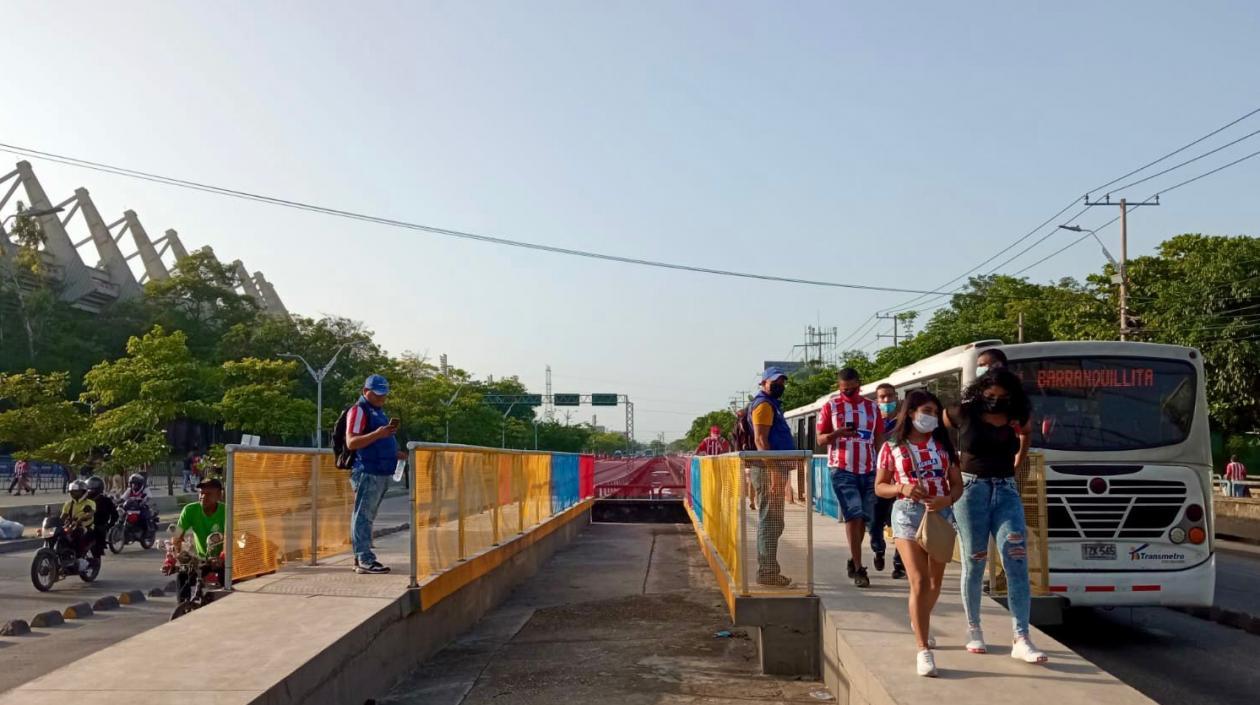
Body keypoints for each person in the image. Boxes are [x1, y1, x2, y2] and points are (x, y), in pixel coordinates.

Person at [945, 368, 1047, 664]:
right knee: (974, 560)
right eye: (991, 396)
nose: (996, 402)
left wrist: (1017, 465)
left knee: (1016, 556)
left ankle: (1022, 637)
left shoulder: (1018, 413)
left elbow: (1027, 433)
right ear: (980, 392)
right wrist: (952, 466)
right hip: (970, 490)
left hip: (1005, 490)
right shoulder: (963, 412)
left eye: (1003, 397)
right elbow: (941, 433)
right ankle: (974, 629)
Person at [875, 389, 963, 677]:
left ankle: (920, 617)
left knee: (935, 582)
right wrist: (901, 488)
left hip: (940, 515)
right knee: (920, 581)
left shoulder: (944, 446)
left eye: (935, 412)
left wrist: (946, 500)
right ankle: (923, 649)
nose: (932, 417)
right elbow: (880, 486)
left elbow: (957, 485)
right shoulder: (891, 448)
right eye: (927, 411)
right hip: (906, 516)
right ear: (911, 413)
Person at [816, 368, 886, 588]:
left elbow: (879, 439)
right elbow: (820, 439)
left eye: (852, 388)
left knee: (864, 518)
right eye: (844, 389)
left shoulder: (872, 408)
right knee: (853, 515)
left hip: (869, 469)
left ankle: (853, 557)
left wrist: (882, 467)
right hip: (842, 468)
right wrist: (837, 434)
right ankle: (858, 567)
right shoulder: (830, 407)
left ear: (859, 384)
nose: (848, 392)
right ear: (839, 387)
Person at [346, 374, 404, 575]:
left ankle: (362, 557)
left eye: (384, 395)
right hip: (367, 471)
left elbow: (378, 443)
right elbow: (352, 442)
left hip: (381, 471)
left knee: (368, 516)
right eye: (377, 394)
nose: (381, 399)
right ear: (365, 391)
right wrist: (379, 434)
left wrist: (395, 453)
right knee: (362, 516)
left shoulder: (378, 411)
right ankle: (364, 558)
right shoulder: (360, 410)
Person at [748, 367, 795, 587]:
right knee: (771, 521)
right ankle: (767, 572)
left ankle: (768, 569)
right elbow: (761, 441)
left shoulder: (770, 405)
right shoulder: (764, 406)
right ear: (764, 383)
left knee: (773, 521)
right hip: (769, 470)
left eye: (783, 382)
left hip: (772, 469)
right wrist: (775, 473)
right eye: (776, 382)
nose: (780, 386)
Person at [870, 383, 907, 580]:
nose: (886, 401)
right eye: (882, 397)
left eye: (890, 397)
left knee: (901, 522)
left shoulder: (904, 423)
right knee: (875, 521)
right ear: (876, 401)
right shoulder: (872, 423)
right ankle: (878, 550)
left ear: (897, 398)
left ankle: (900, 563)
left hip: (901, 482)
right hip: (879, 480)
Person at [171, 478, 227, 601]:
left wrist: (222, 558)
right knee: (182, 575)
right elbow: (177, 534)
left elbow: (231, 539)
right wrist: (177, 553)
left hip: (223, 560)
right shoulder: (190, 510)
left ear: (219, 495)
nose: (203, 496)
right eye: (201, 493)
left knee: (227, 579)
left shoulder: (227, 512)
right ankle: (183, 607)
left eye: (208, 494)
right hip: (203, 559)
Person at [975, 347, 1030, 469]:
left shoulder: (1016, 401)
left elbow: (1025, 431)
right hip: (974, 478)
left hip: (1005, 476)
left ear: (998, 365)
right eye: (990, 396)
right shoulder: (972, 399)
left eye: (982, 365)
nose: (979, 369)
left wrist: (1018, 464)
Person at [60, 480, 96, 573]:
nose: (73, 493)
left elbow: (90, 513)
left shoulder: (89, 503)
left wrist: (82, 518)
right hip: (71, 526)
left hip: (86, 527)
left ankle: (79, 558)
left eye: (76, 491)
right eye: (72, 491)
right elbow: (63, 516)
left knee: (77, 533)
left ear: (83, 492)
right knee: (60, 535)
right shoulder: (68, 504)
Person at [85, 476, 116, 563]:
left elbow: (114, 515)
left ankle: (96, 557)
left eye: (93, 486)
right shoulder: (84, 500)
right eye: (89, 486)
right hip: (83, 523)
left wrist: (109, 525)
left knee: (98, 533)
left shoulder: (106, 501)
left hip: (98, 525)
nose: (91, 489)